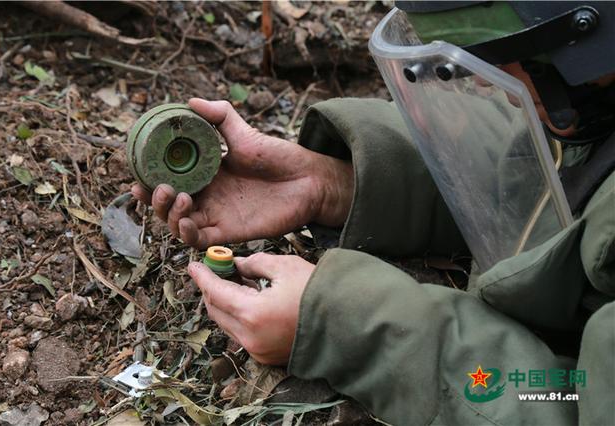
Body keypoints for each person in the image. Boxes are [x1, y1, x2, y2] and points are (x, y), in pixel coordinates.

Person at [133, 2, 614, 424]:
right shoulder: (593, 101)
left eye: (515, 62)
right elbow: (552, 168)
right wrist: (334, 184)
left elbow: (564, 406)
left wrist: (348, 326)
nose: (506, 92)